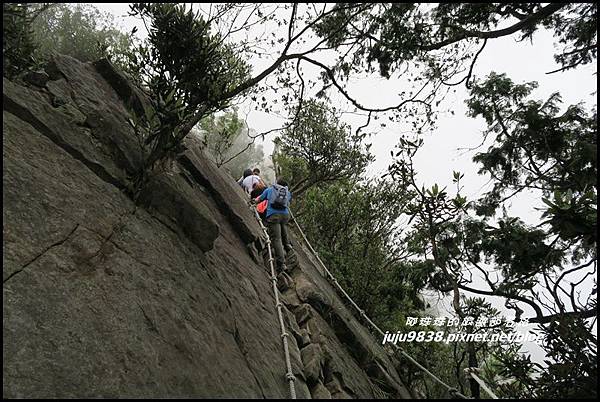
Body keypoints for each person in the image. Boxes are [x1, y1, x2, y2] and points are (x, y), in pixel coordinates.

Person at [257, 178, 293, 272]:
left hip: (273, 215)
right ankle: (287, 245)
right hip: (285, 215)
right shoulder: (287, 193)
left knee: (276, 239)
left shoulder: (270, 189)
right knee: (283, 226)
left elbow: (259, 199)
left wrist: (253, 201)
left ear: (277, 183)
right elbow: (287, 202)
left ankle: (281, 264)